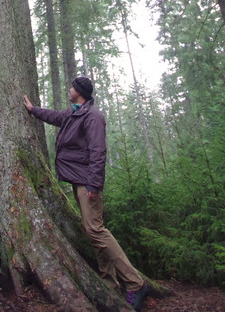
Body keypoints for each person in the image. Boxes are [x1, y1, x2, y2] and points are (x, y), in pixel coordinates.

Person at [24, 76, 149, 312]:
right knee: (93, 232)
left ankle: (135, 283)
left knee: (95, 230)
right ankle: (109, 284)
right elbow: (54, 116)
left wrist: (94, 185)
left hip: (87, 183)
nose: (69, 89)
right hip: (79, 180)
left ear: (79, 92)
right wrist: (32, 110)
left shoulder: (93, 116)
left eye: (72, 87)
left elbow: (98, 151)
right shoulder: (74, 113)